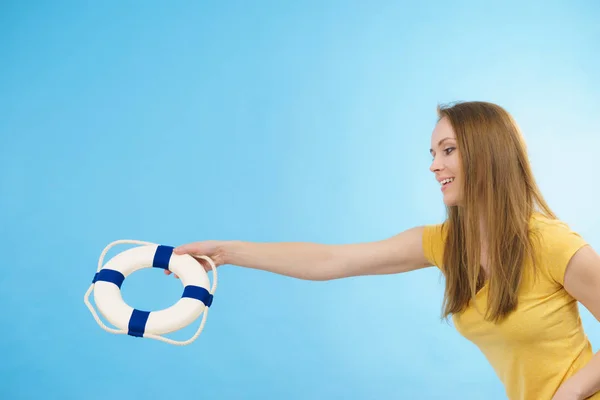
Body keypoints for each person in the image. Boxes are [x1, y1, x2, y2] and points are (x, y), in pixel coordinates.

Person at [167, 101, 600, 400]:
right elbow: (331, 261)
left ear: (489, 154)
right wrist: (227, 252)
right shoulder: (445, 245)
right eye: (432, 152)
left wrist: (571, 391)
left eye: (448, 150)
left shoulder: (548, 242)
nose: (434, 165)